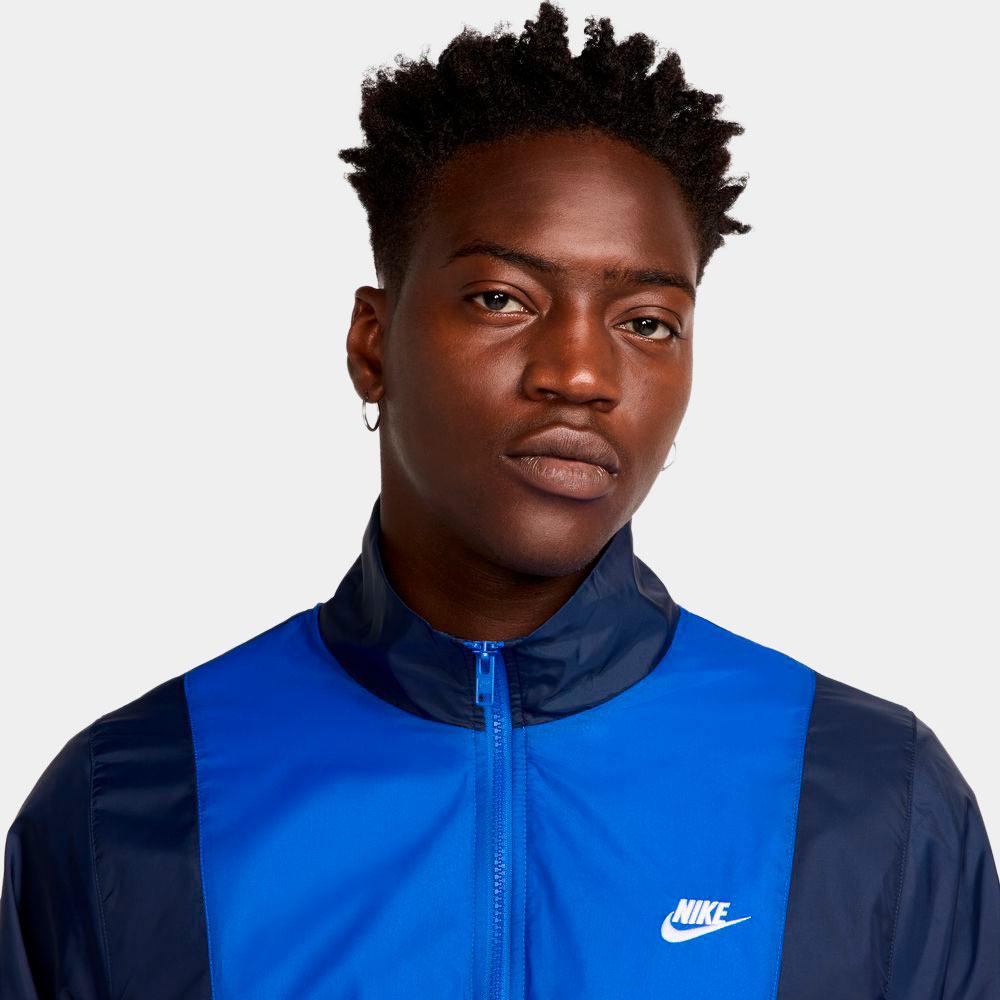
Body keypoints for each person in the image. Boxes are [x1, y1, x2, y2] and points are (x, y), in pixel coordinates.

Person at [2, 3, 997, 997]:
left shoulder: (870, 800)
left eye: (647, 321)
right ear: (372, 344)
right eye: (502, 299)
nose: (580, 373)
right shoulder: (132, 804)